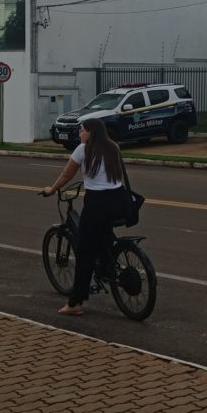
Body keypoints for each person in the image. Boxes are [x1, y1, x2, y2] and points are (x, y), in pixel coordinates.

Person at [42, 118, 129, 315]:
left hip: (98, 204)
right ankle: (108, 265)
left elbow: (66, 174)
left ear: (91, 132)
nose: (80, 134)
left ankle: (75, 303)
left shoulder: (83, 149)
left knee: (84, 253)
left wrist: (51, 189)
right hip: (120, 201)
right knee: (103, 233)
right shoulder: (113, 147)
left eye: (81, 130)